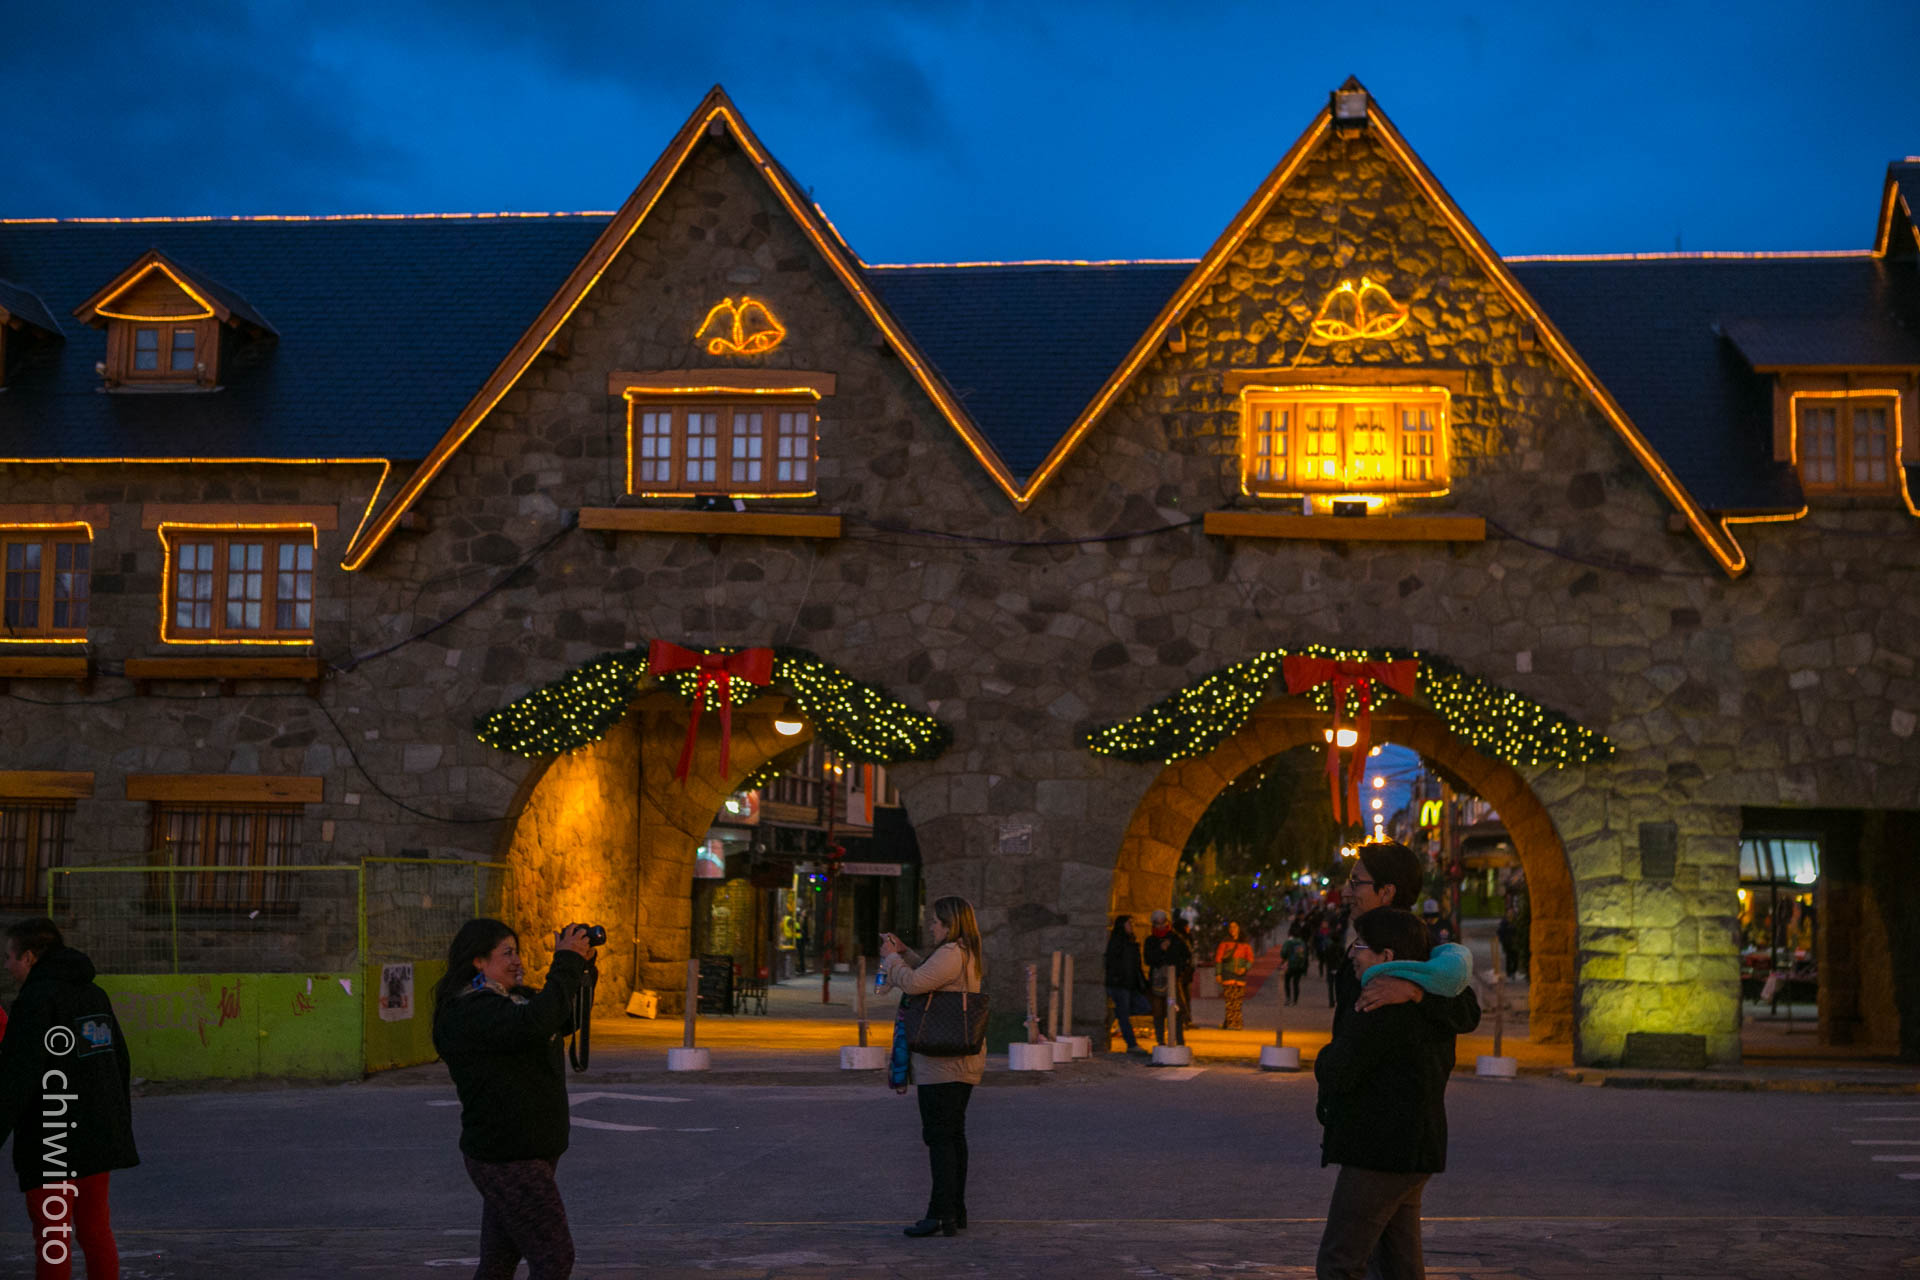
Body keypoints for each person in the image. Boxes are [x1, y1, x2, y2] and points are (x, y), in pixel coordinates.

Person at [432, 919, 595, 1280]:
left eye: (517, 952)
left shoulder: (512, 1001)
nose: (517, 961)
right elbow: (534, 1023)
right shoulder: (471, 1011)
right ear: (478, 961)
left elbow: (561, 1017)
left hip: (524, 1152)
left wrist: (582, 965)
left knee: (498, 1262)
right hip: (508, 1158)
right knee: (554, 1258)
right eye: (507, 953)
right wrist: (565, 963)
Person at [1314, 907, 1456, 1280]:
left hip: (1378, 1154)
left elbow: (1338, 1071)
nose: (1353, 953)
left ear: (1387, 957)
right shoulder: (1430, 997)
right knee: (1401, 1266)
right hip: (1416, 1150)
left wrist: (1325, 1056)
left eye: (1361, 945)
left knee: (1339, 1262)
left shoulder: (1378, 1006)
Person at [0, 917, 138, 1280]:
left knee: (53, 1238)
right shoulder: (95, 995)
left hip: (52, 1141)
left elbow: (16, 1078)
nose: (7, 966)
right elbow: (118, 1062)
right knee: (95, 1231)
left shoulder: (34, 1001)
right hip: (97, 1137)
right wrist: (116, 1124)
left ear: (29, 957)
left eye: (9, 957)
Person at [880, 895, 985, 1238]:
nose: (931, 925)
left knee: (939, 1136)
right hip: (958, 1060)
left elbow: (914, 983)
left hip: (943, 1061)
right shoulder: (962, 952)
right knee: (953, 1135)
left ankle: (938, 1214)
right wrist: (907, 954)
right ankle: (955, 1211)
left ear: (951, 924)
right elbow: (927, 973)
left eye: (936, 921)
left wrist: (893, 960)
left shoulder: (951, 952)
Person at [1142, 909, 1191, 1046]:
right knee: (1158, 1012)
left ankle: (1179, 1039)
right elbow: (1148, 959)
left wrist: (1179, 972)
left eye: (1162, 923)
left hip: (1173, 980)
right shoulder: (1151, 940)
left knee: (1178, 1010)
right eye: (1157, 924)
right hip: (1157, 981)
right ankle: (1160, 1041)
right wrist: (1160, 950)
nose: (1160, 927)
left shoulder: (1176, 939)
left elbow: (1186, 956)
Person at [1103, 915, 1150, 1054]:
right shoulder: (1116, 942)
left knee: (1144, 1006)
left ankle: (1117, 1013)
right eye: (1129, 923)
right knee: (1124, 1014)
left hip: (1131, 984)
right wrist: (1116, 978)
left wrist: (1142, 982)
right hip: (1119, 984)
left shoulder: (1132, 942)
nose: (1131, 926)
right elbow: (1111, 962)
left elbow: (1136, 965)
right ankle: (1131, 1044)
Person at [1214, 922, 1254, 1030]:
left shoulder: (1245, 943)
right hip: (1227, 974)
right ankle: (1234, 1023)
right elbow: (1218, 959)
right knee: (1230, 1000)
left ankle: (1231, 1022)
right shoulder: (1224, 943)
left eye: (1235, 927)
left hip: (1240, 976)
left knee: (1238, 1000)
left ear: (1239, 928)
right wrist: (1218, 973)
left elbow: (1250, 959)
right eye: (1230, 927)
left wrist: (1245, 968)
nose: (1232, 929)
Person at [1281, 931, 1310, 1006]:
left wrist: (1285, 958)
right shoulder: (1302, 943)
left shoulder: (1288, 942)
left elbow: (1283, 953)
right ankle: (1295, 1000)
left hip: (1290, 965)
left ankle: (1288, 998)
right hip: (1299, 966)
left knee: (1287, 982)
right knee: (1296, 983)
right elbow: (1305, 955)